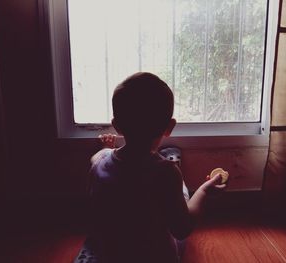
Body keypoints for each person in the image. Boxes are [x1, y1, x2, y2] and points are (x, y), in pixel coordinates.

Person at [88, 72, 226, 263]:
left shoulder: (100, 161)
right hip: (155, 256)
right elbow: (182, 229)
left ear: (116, 126)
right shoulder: (167, 172)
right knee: (181, 193)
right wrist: (204, 191)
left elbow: (96, 157)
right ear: (170, 127)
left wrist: (106, 149)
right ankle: (179, 187)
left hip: (111, 255)